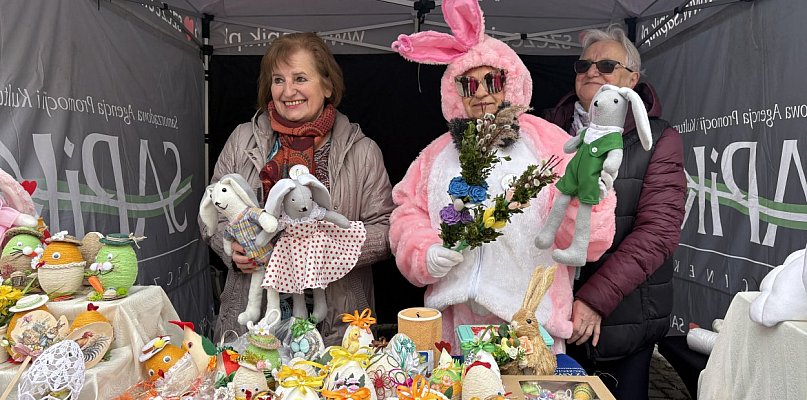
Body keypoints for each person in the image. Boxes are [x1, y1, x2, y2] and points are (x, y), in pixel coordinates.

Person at [389, 0, 617, 354]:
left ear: (510, 83)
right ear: (454, 91)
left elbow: (589, 240)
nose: (481, 93)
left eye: (492, 80)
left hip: (529, 324)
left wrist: (589, 199)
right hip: (453, 323)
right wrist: (425, 252)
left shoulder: (550, 144)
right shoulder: (435, 155)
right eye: (468, 84)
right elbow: (408, 212)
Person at [202, 32, 394, 345]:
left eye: (300, 78)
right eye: (278, 79)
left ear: (327, 85)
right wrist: (231, 248)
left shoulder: (362, 151)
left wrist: (329, 247)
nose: (288, 91)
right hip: (256, 318)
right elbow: (211, 212)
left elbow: (389, 232)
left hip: (338, 324)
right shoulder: (241, 140)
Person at [542, 26, 686, 400]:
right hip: (551, 313)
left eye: (606, 64)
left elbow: (659, 232)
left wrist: (593, 299)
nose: (592, 72)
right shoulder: (548, 129)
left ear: (632, 79)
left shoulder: (659, 139)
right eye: (583, 64)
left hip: (623, 316)